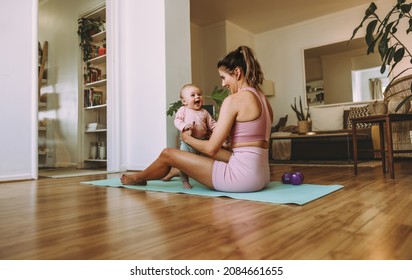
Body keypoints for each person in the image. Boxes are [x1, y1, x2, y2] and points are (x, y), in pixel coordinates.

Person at [121, 45, 273, 192]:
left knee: (168, 153)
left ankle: (138, 178)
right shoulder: (264, 100)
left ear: (237, 73)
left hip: (241, 179)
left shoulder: (234, 100)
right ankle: (178, 169)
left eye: (224, 77)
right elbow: (247, 144)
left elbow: (211, 149)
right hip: (262, 176)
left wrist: (187, 139)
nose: (223, 83)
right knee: (199, 152)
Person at [173, 84, 217, 188]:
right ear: (184, 101)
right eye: (193, 95)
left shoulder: (204, 112)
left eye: (199, 94)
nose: (197, 97)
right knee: (183, 162)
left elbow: (212, 124)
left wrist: (218, 128)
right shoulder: (183, 110)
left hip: (202, 142)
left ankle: (206, 178)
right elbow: (177, 120)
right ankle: (185, 181)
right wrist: (184, 126)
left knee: (204, 162)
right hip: (187, 143)